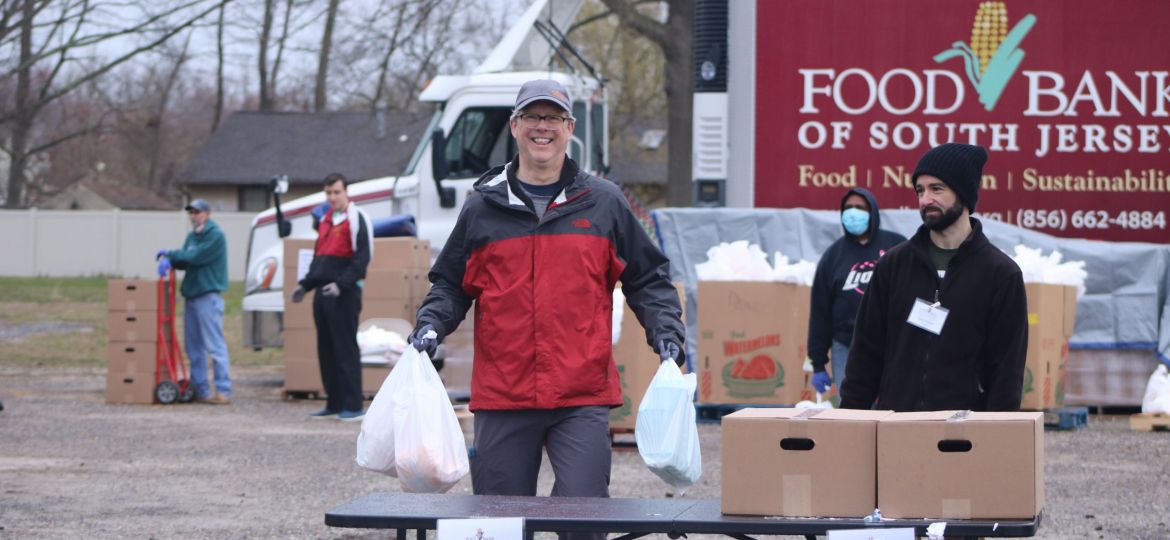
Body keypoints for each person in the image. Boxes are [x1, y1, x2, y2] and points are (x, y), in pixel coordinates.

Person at [408, 79, 686, 537]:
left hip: (581, 395)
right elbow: (452, 284)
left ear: (569, 127)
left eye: (553, 118)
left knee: (583, 521)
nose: (543, 127)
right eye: (533, 117)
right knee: (497, 526)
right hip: (504, 394)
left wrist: (666, 332)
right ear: (515, 126)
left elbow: (647, 280)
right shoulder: (483, 207)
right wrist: (430, 323)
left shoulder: (603, 204)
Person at [840, 143, 1027, 412]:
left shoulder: (1000, 273)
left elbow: (1007, 372)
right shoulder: (892, 266)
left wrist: (993, 436)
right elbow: (865, 355)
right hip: (898, 426)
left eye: (936, 189)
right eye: (920, 190)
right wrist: (850, 420)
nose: (926, 199)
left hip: (964, 434)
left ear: (963, 193)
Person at [290, 174, 373, 422]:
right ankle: (334, 402)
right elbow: (319, 260)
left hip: (344, 293)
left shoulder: (356, 218)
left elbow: (362, 258)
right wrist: (305, 285)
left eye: (336, 192)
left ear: (346, 192)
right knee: (326, 349)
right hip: (322, 293)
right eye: (328, 193)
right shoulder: (325, 220)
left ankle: (353, 404)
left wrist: (342, 284)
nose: (332, 197)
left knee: (345, 348)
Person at [808, 188, 906, 400]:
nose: (853, 213)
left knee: (894, 404)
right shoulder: (833, 255)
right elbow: (820, 310)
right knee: (854, 408)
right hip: (846, 345)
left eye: (859, 208)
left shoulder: (896, 246)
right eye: (848, 208)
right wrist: (818, 363)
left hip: (891, 344)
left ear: (872, 212)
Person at [159, 199, 232, 404]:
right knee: (194, 347)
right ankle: (200, 389)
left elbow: (195, 257)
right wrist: (171, 261)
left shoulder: (215, 236)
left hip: (208, 296)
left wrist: (170, 255)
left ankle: (223, 390)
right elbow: (185, 259)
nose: (193, 215)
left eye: (197, 212)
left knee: (214, 345)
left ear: (207, 214)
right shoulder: (192, 236)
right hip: (192, 296)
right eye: (191, 212)